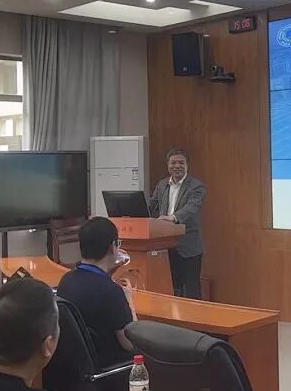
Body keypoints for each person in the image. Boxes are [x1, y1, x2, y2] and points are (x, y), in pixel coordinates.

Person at [56, 217, 137, 367]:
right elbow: (130, 343)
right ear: (113, 248)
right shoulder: (112, 292)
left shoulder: (66, 280)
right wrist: (129, 300)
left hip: (76, 367)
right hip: (110, 368)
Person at [147, 147, 207, 298]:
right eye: (173, 163)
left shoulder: (196, 186)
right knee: (172, 286)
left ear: (187, 165)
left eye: (181, 163)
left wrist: (173, 218)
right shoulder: (162, 185)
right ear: (168, 165)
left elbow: (192, 207)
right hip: (166, 244)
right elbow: (152, 205)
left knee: (192, 289)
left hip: (188, 245)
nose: (177, 166)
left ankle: (194, 314)